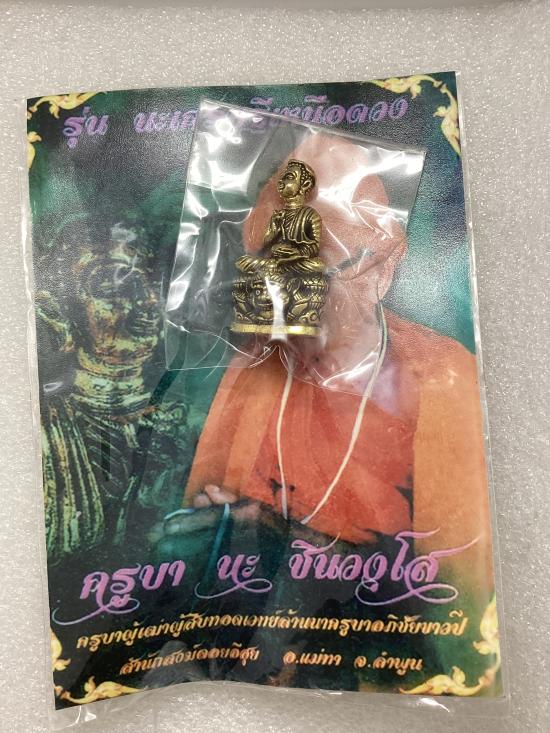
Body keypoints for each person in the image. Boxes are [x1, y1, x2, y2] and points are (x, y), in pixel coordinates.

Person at [159, 132, 494, 598]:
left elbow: (457, 596)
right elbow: (205, 522)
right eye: (272, 272)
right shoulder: (256, 361)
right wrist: (204, 530)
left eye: (313, 273)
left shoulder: (445, 377)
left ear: (379, 273)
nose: (285, 299)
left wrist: (276, 535)